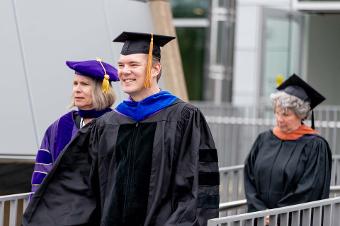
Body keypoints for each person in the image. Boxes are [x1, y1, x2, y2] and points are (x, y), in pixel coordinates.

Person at [22, 32, 219, 226]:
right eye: (121, 65)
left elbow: (198, 187)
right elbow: (79, 189)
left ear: (155, 69)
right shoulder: (106, 125)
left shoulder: (184, 118)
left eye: (133, 65)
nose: (124, 71)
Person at [244, 74, 332, 213]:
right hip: (259, 219)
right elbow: (249, 177)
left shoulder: (315, 146)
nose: (279, 119)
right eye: (277, 113)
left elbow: (310, 189)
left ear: (301, 114)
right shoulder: (264, 139)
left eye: (285, 115)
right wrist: (259, 211)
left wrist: (276, 215)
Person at [30, 59, 119, 193]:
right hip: (60, 208)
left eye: (84, 84)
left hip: (101, 208)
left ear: (102, 89)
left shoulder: (116, 125)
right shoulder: (59, 127)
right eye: (75, 83)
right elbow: (41, 175)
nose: (77, 89)